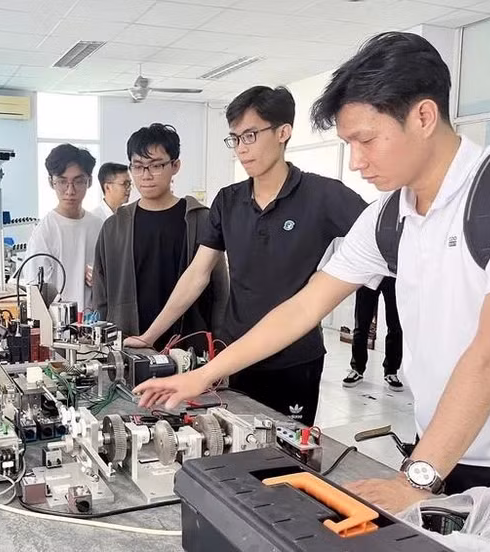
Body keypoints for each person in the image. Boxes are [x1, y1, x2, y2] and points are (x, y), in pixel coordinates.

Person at [134, 31, 490, 513]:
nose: (357, 161)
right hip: (441, 449)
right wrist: (202, 375)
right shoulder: (389, 216)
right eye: (348, 143)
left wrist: (419, 477)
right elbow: (304, 307)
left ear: (423, 116)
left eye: (366, 139)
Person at [127, 88, 367, 425]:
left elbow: (377, 241)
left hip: (295, 359)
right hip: (235, 355)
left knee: (287, 455)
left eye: (251, 135)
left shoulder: (324, 195)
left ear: (283, 132)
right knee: (233, 442)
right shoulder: (228, 201)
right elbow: (197, 275)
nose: (241, 148)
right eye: (235, 138)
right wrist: (149, 337)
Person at [92, 124, 228, 353]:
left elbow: (220, 293)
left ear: (175, 166)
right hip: (130, 346)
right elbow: (101, 294)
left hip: (189, 348)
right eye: (138, 166)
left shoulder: (200, 220)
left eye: (156, 165)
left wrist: (220, 348)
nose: (146, 175)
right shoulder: (115, 226)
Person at [24, 144, 103, 311]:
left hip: (94, 322)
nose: (70, 190)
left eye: (78, 181)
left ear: (89, 182)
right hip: (57, 325)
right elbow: (35, 291)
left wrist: (100, 278)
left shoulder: (98, 226)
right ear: (51, 182)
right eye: (62, 181)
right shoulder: (45, 232)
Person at [344, 276, 404, 391]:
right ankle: (357, 369)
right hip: (370, 271)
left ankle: (391, 371)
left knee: (395, 326)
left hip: (393, 273)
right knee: (361, 325)